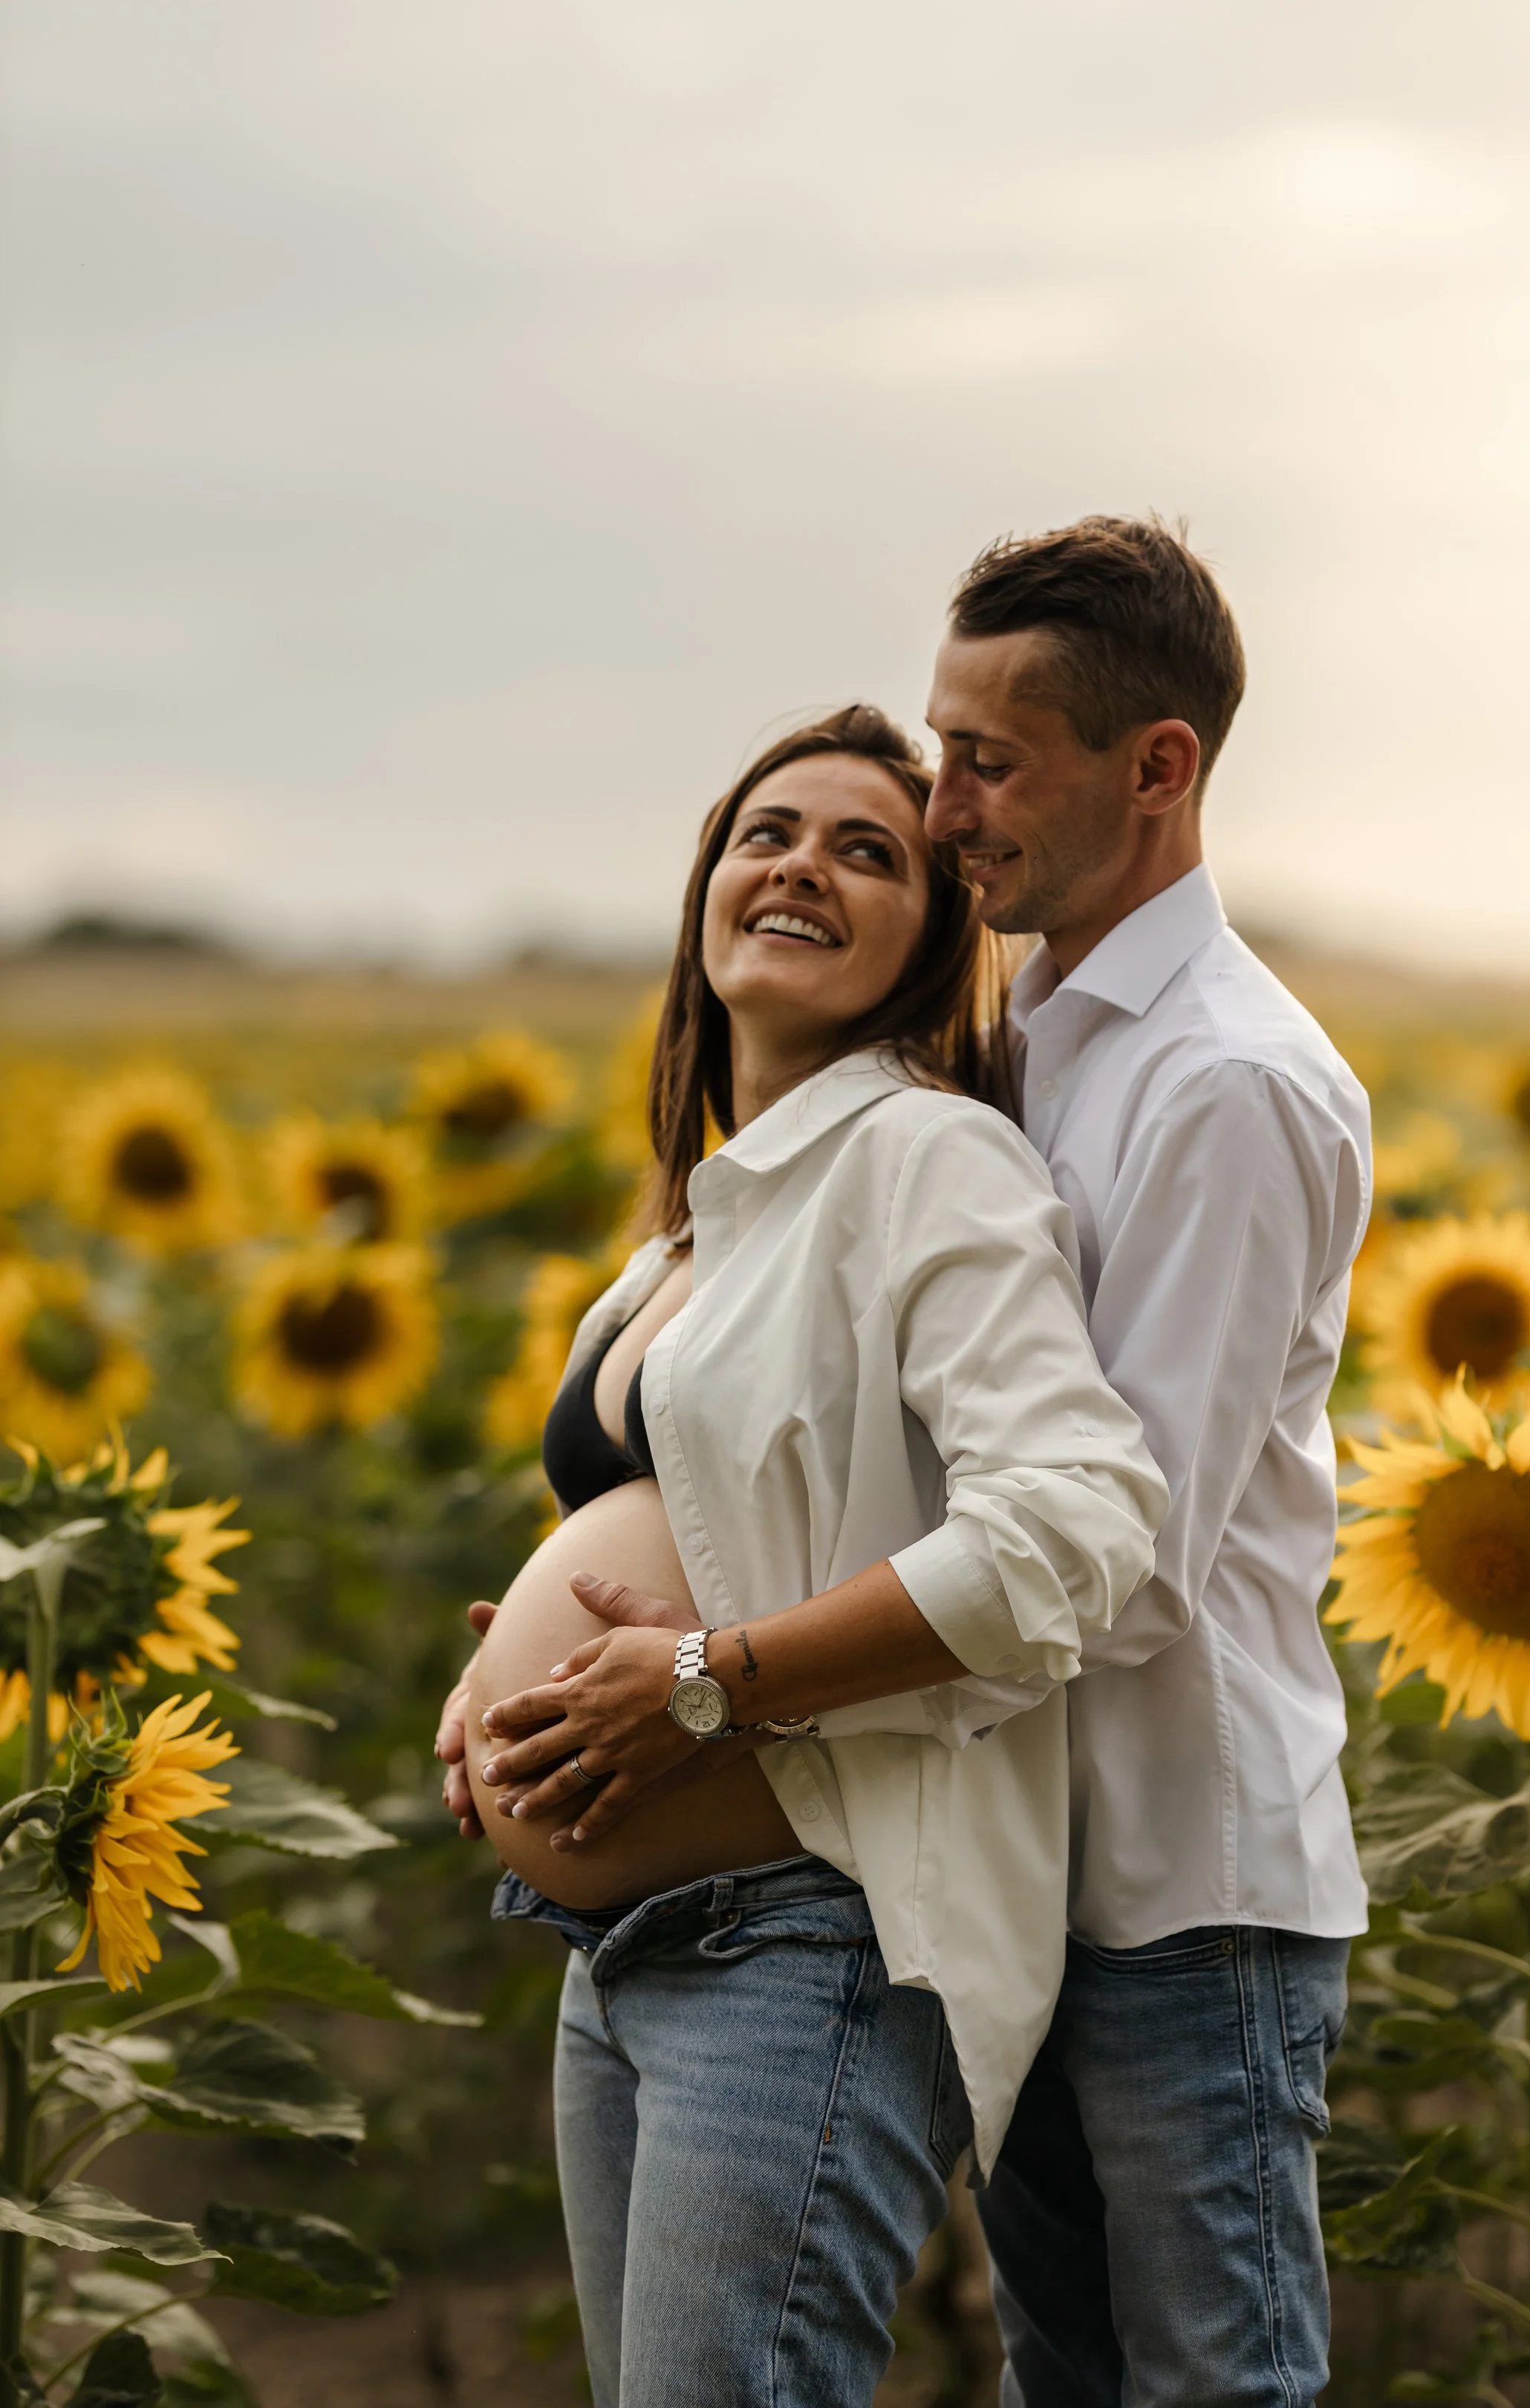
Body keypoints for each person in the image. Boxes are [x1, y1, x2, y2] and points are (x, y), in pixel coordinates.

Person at [435, 702, 1167, 2408]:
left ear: (929, 943)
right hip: (616, 1957)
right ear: (707, 886)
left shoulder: (928, 1158)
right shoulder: (695, 1224)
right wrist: (513, 1685)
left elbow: (1070, 1531)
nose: (800, 868)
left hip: (805, 1948)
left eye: (867, 852)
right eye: (768, 833)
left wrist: (698, 1681)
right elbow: (709, 1524)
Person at [920, 517, 1372, 2408]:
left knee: (1207, 2388)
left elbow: (1122, 1560)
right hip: (1041, 1869)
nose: (943, 810)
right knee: (1067, 2381)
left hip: (1187, 1892)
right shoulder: (1036, 1039)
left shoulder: (1221, 1084)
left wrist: (754, 1673)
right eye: (942, 755)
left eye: (988, 763)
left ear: (1157, 767)